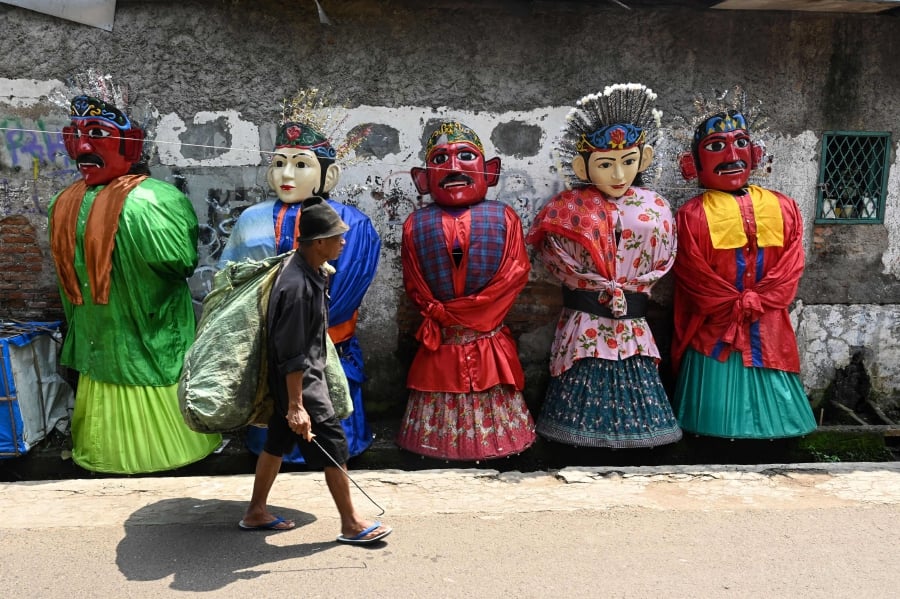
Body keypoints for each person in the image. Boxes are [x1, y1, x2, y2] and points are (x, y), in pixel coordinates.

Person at [48, 95, 221, 474]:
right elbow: (178, 263)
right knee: (153, 365)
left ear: (132, 144)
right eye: (74, 136)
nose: (83, 147)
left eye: (96, 135)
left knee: (104, 374)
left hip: (98, 331)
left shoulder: (64, 202)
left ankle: (105, 453)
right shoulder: (157, 200)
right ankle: (169, 450)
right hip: (149, 326)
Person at [526, 83, 682, 448]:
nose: (618, 175)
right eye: (605, 164)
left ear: (642, 159)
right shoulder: (568, 207)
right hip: (586, 317)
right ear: (583, 167)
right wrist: (601, 285)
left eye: (628, 161)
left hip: (633, 316)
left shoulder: (655, 206)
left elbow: (665, 257)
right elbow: (556, 258)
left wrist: (627, 286)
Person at [219, 121, 380, 462]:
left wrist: (305, 330)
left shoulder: (354, 223)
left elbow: (350, 286)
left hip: (327, 340)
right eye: (278, 163)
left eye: (301, 164)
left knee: (326, 418)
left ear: (329, 175)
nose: (285, 174)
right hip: (269, 340)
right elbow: (232, 280)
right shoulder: (252, 218)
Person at [240, 197, 392, 544]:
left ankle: (256, 511)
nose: (343, 242)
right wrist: (297, 405)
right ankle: (351, 524)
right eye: (337, 237)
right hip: (302, 381)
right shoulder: (296, 287)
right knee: (334, 445)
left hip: (297, 379)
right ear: (318, 242)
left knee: (276, 441)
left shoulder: (309, 270)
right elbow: (292, 351)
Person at [672, 109, 817, 439]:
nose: (732, 155)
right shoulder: (691, 215)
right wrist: (733, 303)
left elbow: (792, 264)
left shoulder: (784, 206)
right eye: (715, 146)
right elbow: (693, 275)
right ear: (693, 163)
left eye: (741, 143)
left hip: (768, 322)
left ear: (755, 153)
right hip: (717, 325)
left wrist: (760, 299)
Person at [396, 121, 536, 461]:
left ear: (490, 172)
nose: (454, 167)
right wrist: (440, 312)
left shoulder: (504, 217)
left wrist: (465, 315)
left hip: (483, 333)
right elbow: (414, 281)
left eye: (466, 156)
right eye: (441, 158)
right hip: (442, 337)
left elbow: (513, 275)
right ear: (423, 178)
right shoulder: (416, 224)